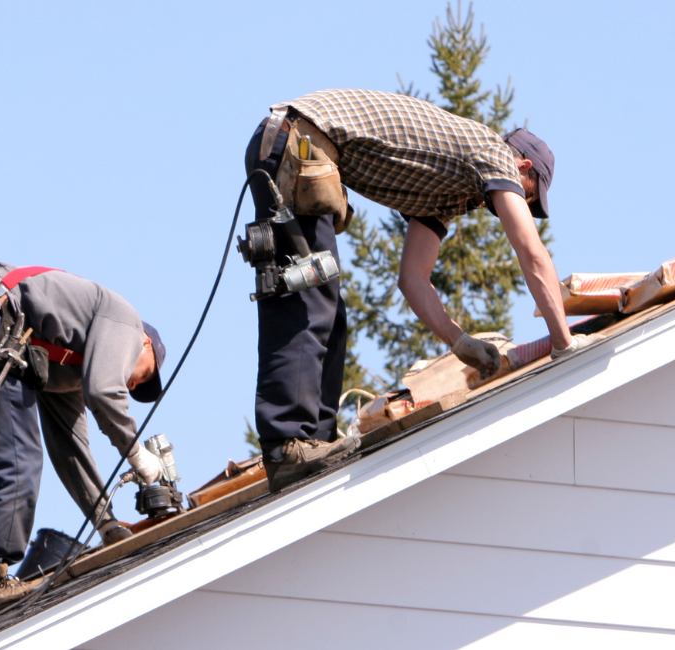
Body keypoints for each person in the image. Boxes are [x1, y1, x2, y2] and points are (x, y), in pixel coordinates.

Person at [244, 88, 600, 493]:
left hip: (298, 145)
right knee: (307, 295)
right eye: (527, 193)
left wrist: (459, 341)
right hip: (297, 141)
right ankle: (288, 447)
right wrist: (563, 344)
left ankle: (313, 444)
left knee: (327, 307)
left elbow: (412, 278)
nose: (517, 202)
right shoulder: (493, 152)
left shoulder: (444, 192)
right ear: (522, 165)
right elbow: (531, 252)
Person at [0, 262, 168, 632]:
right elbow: (105, 392)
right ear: (144, 342)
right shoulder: (126, 322)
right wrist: (137, 455)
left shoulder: (66, 364)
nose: (132, 383)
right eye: (144, 373)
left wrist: (107, 524)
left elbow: (71, 448)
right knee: (17, 461)